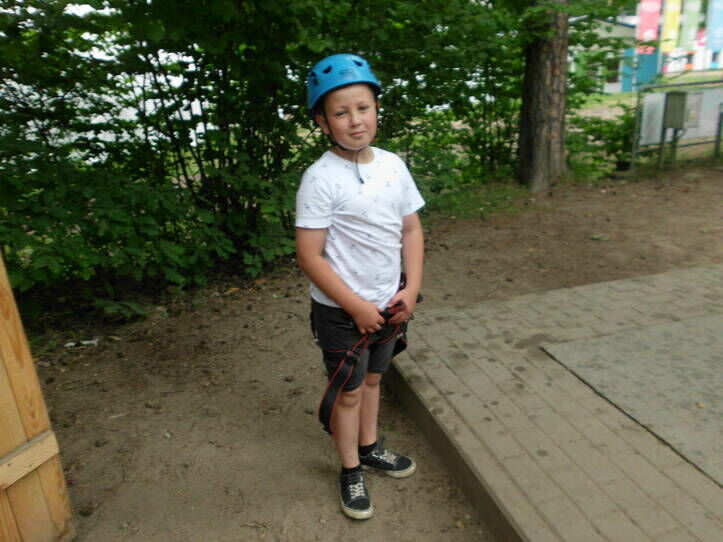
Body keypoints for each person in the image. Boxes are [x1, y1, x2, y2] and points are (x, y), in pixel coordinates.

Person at [295, 53, 425, 520]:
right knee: (348, 391)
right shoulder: (319, 179)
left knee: (374, 379)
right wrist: (354, 306)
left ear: (376, 109)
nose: (355, 120)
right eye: (341, 112)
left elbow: (411, 229)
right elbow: (309, 256)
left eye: (363, 108)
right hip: (340, 311)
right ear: (323, 122)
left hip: (390, 302)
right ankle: (350, 468)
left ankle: (369, 447)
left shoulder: (392, 165)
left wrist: (410, 289)